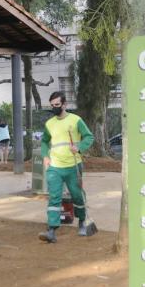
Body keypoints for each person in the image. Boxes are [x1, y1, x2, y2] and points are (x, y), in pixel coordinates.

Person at [39, 91, 94, 243]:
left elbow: (89, 136)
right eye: (52, 105)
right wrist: (45, 156)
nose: (54, 107)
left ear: (64, 105)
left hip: (73, 166)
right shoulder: (49, 124)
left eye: (57, 105)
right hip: (55, 167)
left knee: (77, 195)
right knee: (54, 197)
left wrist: (80, 147)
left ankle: (82, 221)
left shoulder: (76, 120)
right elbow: (44, 141)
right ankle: (51, 230)